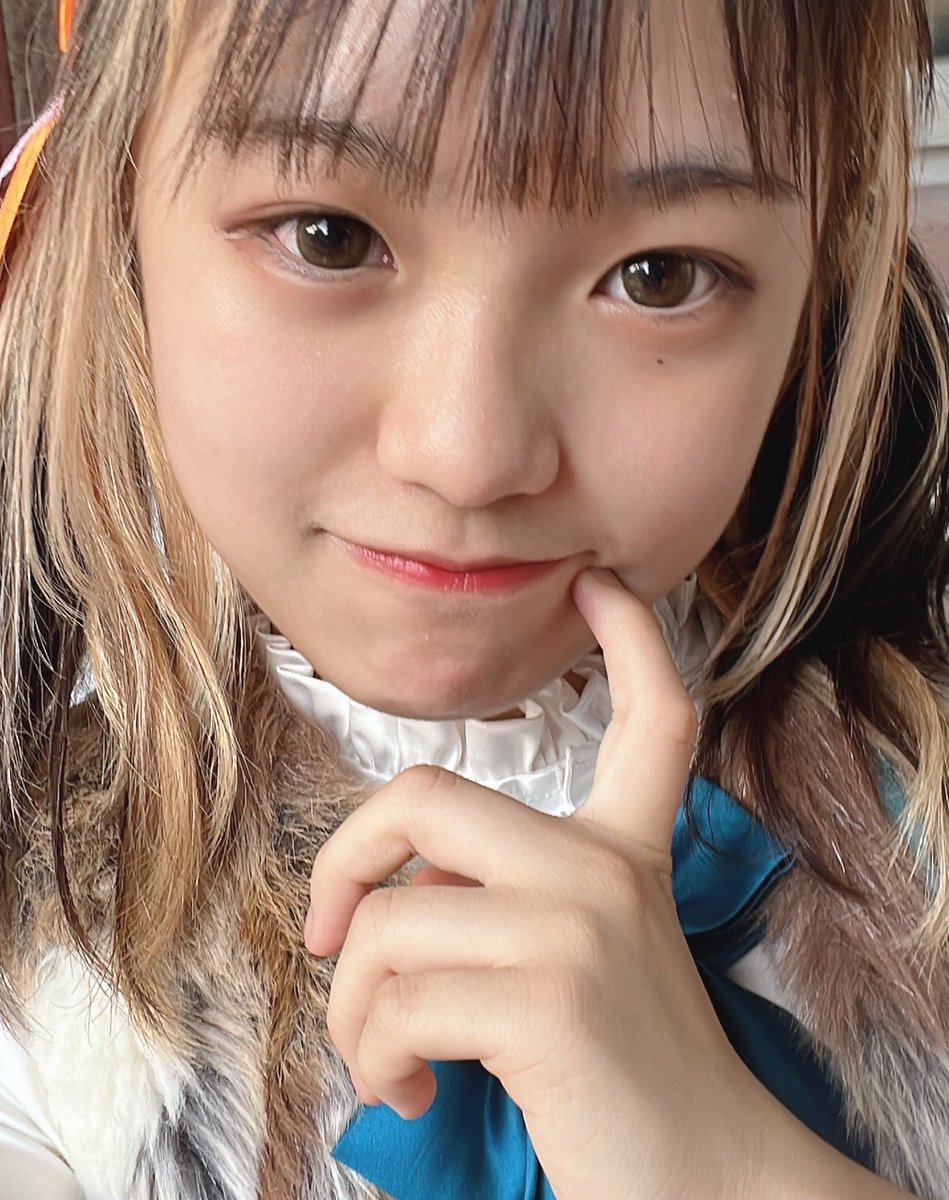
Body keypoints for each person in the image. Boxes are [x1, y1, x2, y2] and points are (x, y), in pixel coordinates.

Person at [0, 0, 947, 1196]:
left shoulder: (916, 803)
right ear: (119, 214)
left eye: (658, 277)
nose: (469, 453)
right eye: (329, 237)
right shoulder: (33, 995)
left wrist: (736, 1168)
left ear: (819, 281)